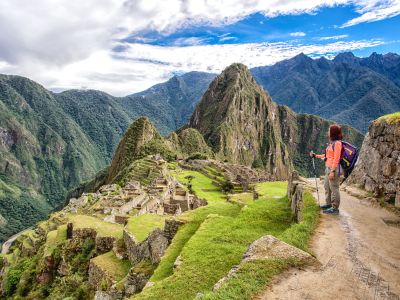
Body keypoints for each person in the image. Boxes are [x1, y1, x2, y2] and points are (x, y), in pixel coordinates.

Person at [310, 124, 343, 214]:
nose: (328, 132)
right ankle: (328, 204)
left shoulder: (337, 144)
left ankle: (335, 208)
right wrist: (315, 155)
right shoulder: (331, 143)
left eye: (329, 131)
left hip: (334, 169)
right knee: (327, 187)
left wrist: (332, 171)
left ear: (333, 132)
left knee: (334, 188)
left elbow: (336, 158)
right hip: (328, 168)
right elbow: (327, 156)